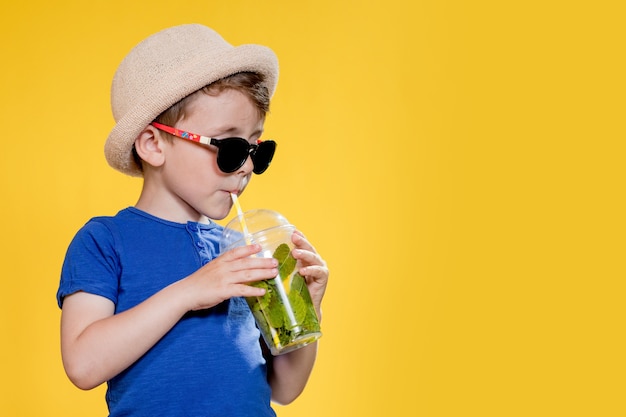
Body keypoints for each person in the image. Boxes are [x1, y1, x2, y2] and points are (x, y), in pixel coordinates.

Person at [56, 24, 328, 417]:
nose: (248, 165)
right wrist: (189, 292)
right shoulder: (105, 240)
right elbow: (83, 365)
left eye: (256, 148)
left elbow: (284, 389)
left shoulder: (240, 249)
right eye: (231, 147)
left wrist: (305, 311)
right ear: (153, 145)